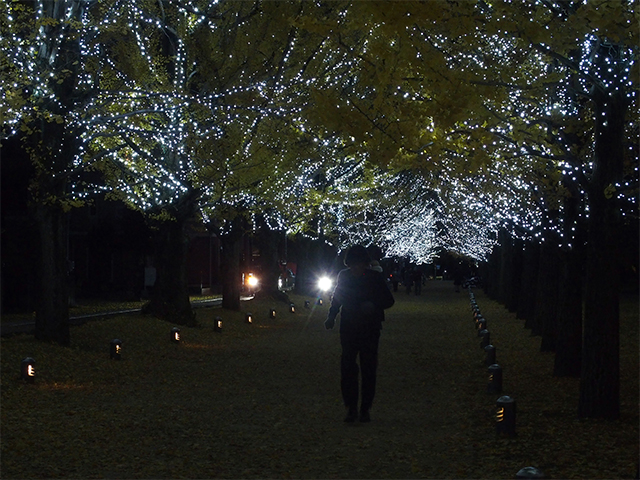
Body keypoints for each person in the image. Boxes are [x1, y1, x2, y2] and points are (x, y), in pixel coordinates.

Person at [324, 245, 395, 423]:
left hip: (370, 327)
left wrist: (373, 305)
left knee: (368, 368)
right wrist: (332, 316)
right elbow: (337, 297)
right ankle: (351, 407)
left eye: (359, 265)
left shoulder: (374, 278)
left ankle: (365, 408)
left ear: (365, 264)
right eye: (353, 265)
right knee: (348, 367)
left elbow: (389, 300)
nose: (356, 268)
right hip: (349, 326)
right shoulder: (344, 277)